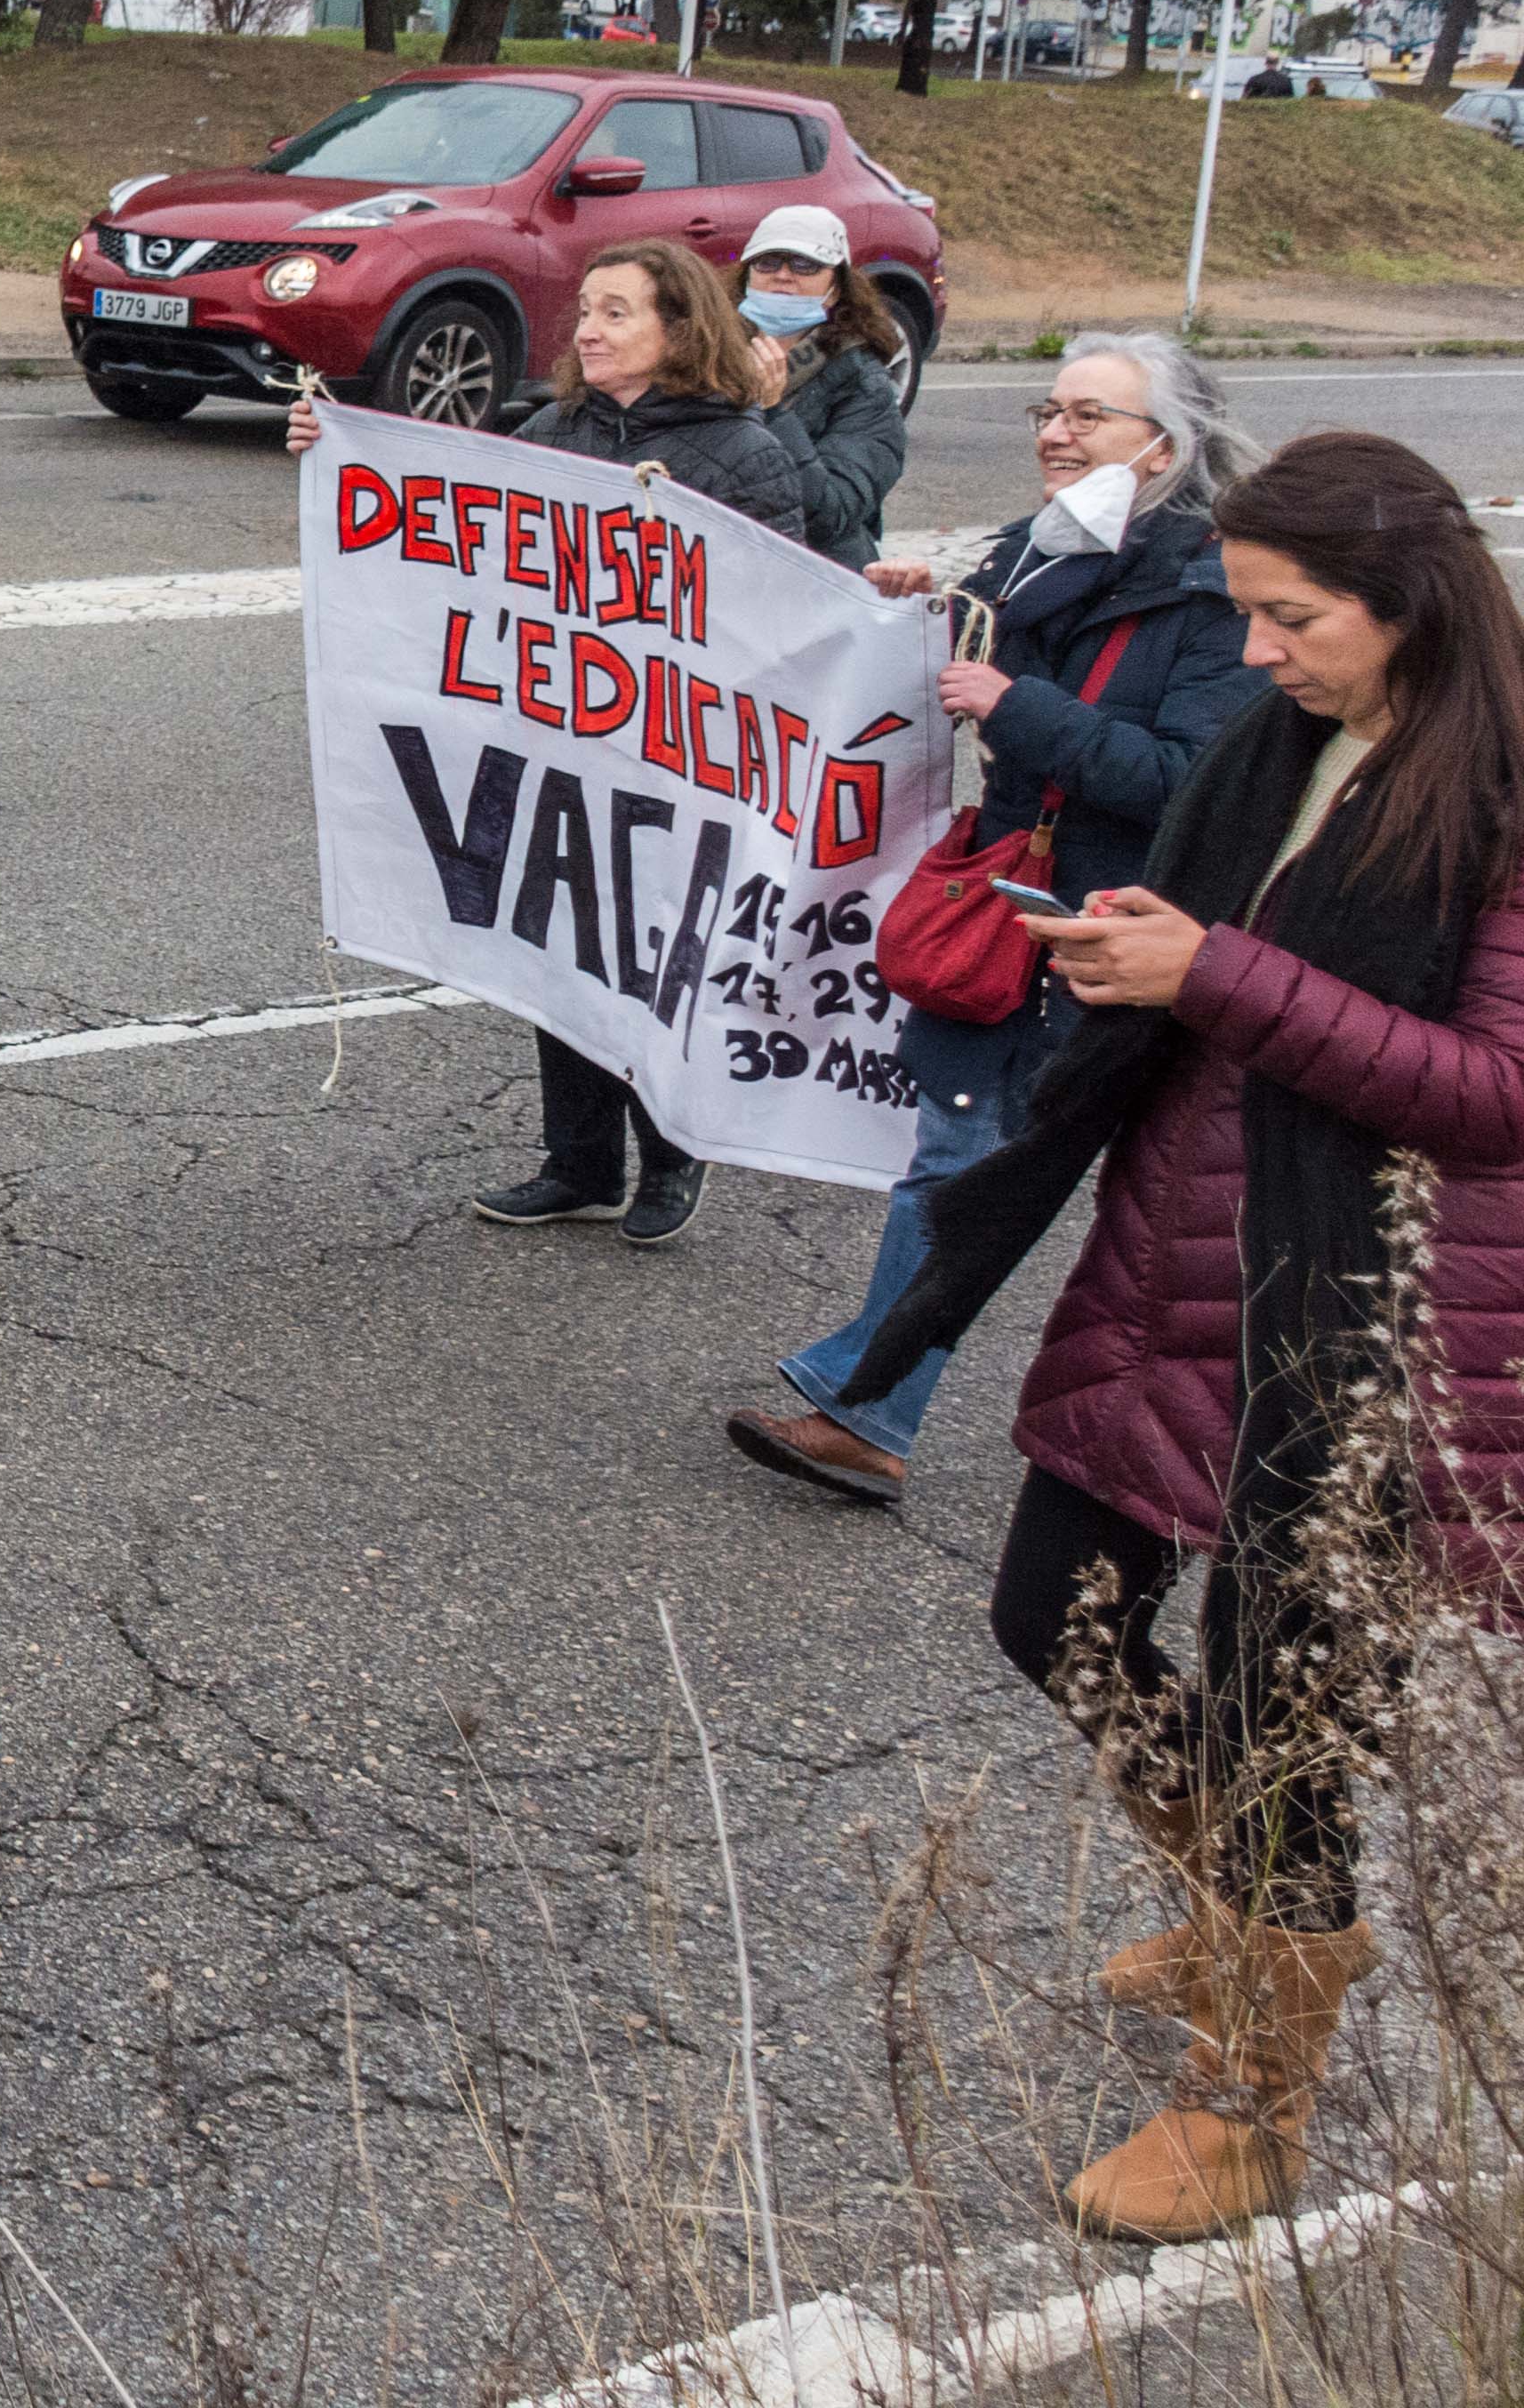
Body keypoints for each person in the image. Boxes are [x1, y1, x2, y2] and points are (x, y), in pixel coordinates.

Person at [837, 431, 1524, 2244]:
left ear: (1413, 601)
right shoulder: (1281, 736)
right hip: (1190, 1246)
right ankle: (1256, 1909)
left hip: (1386, 1324)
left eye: (1296, 618)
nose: (1267, 651)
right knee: (1049, 1601)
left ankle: (1248, 2101)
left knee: (1289, 1711)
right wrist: (1150, 944)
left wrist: (1209, 973)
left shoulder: (1504, 791)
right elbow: (1237, 947)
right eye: (1246, 613)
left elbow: (1492, 1091)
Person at [727, 336, 1260, 1505]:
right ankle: (872, 1406)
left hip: (1103, 937)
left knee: (982, 1168)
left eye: (1090, 417)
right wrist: (930, 608)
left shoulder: (1214, 592)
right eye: (1048, 409)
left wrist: (1021, 707)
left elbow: (1187, 781)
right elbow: (986, 643)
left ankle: (880, 1414)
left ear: (1162, 449)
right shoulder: (1039, 553)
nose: (1054, 434)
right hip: (1017, 912)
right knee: (962, 1160)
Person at [293, 239, 809, 1250]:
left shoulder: (746, 453)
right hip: (553, 742)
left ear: (679, 328)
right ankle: (578, 1163)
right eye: (586, 309)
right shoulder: (553, 429)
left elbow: (776, 611)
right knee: (558, 944)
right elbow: (444, 503)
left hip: (669, 757)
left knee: (653, 956)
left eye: (618, 311)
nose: (589, 329)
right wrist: (338, 443)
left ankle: (672, 1150)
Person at [737, 205, 909, 568]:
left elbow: (832, 513)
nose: (783, 276)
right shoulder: (706, 355)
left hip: (814, 572)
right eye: (767, 262)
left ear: (835, 289)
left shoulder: (865, 385)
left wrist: (772, 412)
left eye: (805, 265)